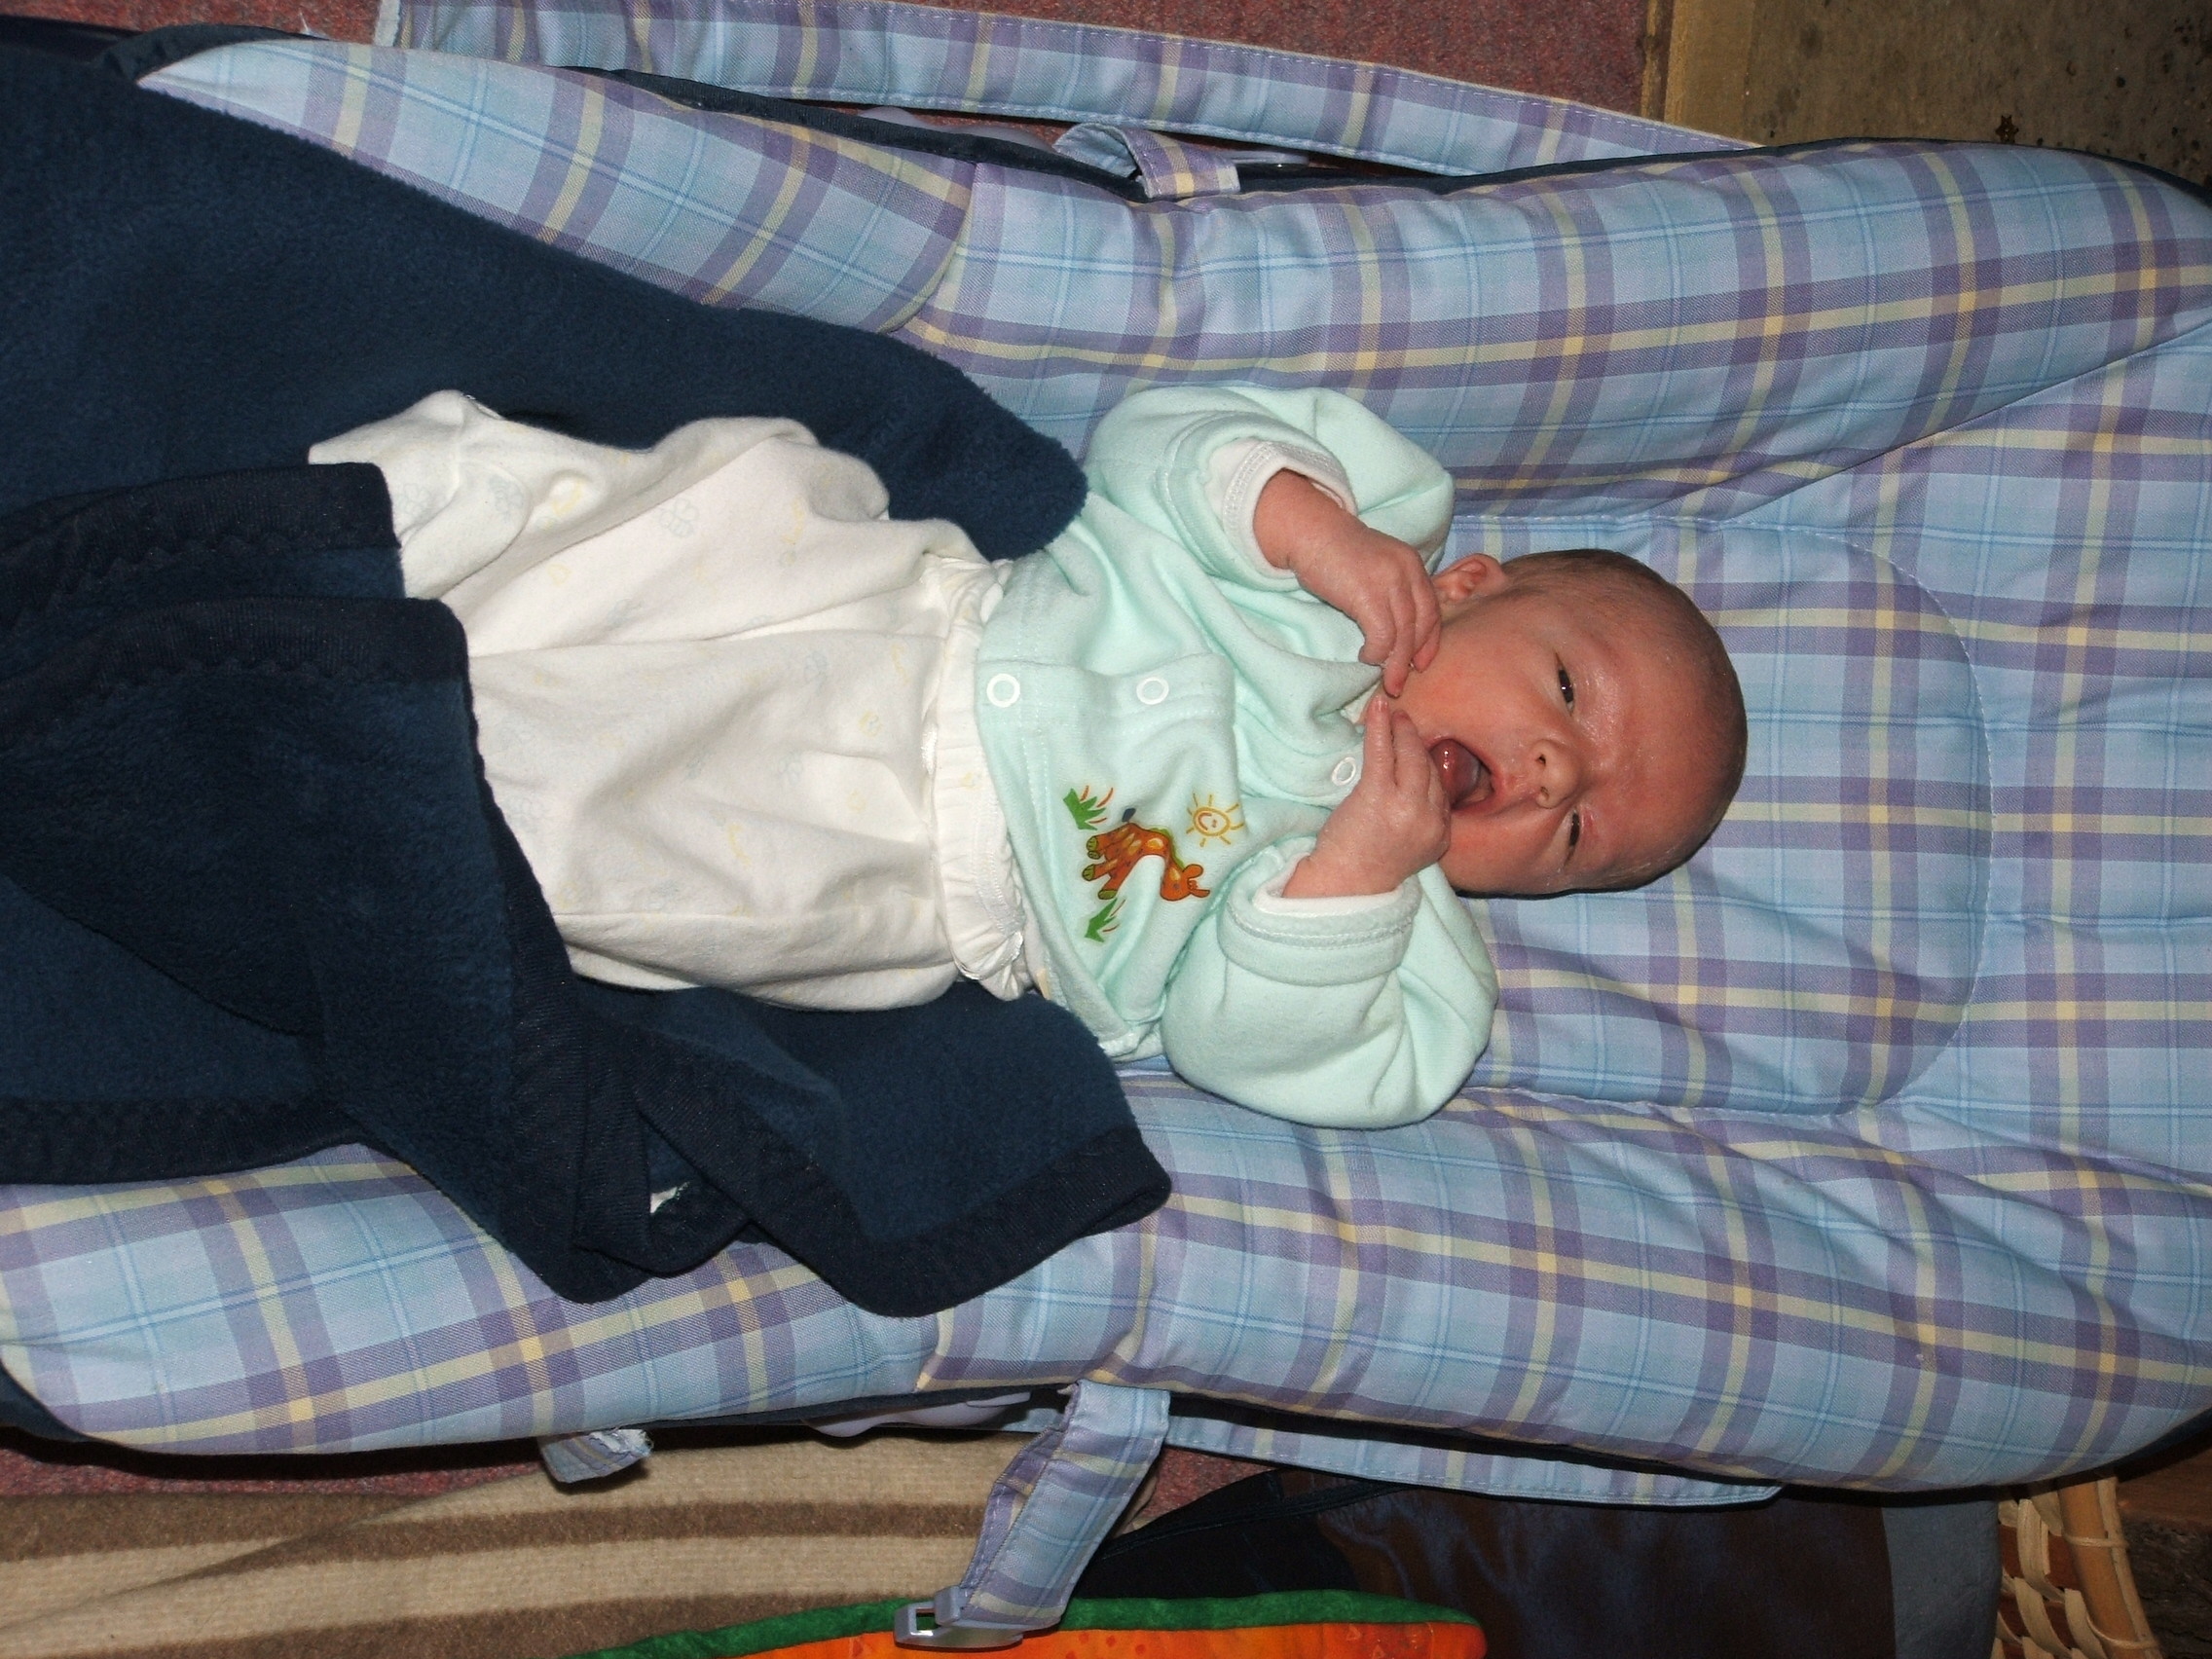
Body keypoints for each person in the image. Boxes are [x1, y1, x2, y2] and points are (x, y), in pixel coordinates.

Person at [313, 383, 1745, 1127]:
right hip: (913, 609)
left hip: (921, 872)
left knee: (630, 854)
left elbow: (1235, 1044)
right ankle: (359, 528)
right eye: (1570, 693)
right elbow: (1160, 445)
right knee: (724, 495)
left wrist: (1356, 879)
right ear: (1474, 584)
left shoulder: (1416, 967)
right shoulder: (1366, 531)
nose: (1551, 775)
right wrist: (1317, 533)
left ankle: (358, 788)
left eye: (1576, 835)